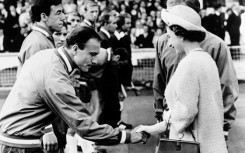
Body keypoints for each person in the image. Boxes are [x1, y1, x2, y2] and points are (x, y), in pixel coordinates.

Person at [0, 26, 147, 153]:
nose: (94, 61)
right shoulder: (56, 75)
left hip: (15, 138)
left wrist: (47, 129)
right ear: (75, 49)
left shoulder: (48, 56)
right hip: (22, 144)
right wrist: (127, 136)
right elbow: (84, 126)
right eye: (92, 54)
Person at [137, 5, 228, 153]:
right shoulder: (207, 60)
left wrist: (164, 116)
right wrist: (153, 128)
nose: (170, 43)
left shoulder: (188, 63)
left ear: (181, 35)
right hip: (212, 144)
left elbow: (185, 113)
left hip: (192, 144)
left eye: (170, 37)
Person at [153, 0, 238, 142]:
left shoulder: (217, 45)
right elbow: (159, 82)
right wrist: (160, 116)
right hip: (172, 125)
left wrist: (223, 128)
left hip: (205, 127)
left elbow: (227, 88)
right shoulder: (163, 42)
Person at [16, 0, 66, 152]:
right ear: (44, 16)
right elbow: (35, 90)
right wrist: (47, 129)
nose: (63, 17)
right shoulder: (38, 43)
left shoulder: (43, 40)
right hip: (40, 129)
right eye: (58, 13)